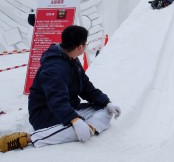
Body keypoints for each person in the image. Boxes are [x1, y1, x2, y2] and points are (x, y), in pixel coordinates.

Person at [0, 25, 121, 153]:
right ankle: (29, 138)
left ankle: (85, 128)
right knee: (80, 127)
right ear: (80, 47)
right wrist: (74, 119)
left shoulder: (72, 60)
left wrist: (107, 102)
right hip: (46, 114)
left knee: (105, 111)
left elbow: (86, 87)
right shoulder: (54, 69)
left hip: (67, 108)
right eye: (85, 44)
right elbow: (56, 101)